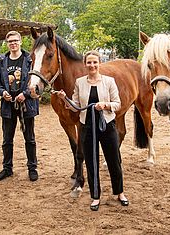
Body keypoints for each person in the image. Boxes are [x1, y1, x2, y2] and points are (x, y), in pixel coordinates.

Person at [54, 50, 129, 211]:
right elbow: (75, 106)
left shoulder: (109, 81)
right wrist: (64, 99)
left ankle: (120, 192)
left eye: (95, 62)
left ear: (99, 63)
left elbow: (118, 104)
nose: (92, 65)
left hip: (106, 125)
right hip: (87, 127)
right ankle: (95, 197)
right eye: (89, 62)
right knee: (91, 162)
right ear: (85, 64)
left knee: (114, 160)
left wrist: (105, 105)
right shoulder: (80, 82)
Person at [0, 31, 39, 181]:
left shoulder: (29, 60)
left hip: (27, 104)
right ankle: (7, 168)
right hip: (8, 106)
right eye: (10, 41)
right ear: (7, 44)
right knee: (7, 139)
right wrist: (2, 92)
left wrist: (25, 94)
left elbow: (35, 80)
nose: (13, 44)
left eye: (15, 41)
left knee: (29, 139)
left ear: (20, 42)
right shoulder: (2, 62)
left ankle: (32, 168)